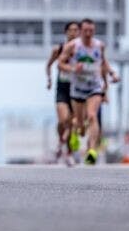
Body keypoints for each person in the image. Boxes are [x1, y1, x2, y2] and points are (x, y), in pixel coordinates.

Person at [58, 18, 118, 165]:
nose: (88, 34)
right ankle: (75, 134)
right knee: (79, 124)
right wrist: (73, 69)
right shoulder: (73, 46)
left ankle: (91, 150)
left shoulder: (99, 46)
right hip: (77, 89)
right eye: (85, 31)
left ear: (94, 31)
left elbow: (103, 63)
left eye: (91, 31)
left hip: (94, 87)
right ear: (81, 31)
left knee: (92, 115)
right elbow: (60, 64)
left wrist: (111, 74)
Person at [46, 21, 79, 165]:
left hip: (78, 89)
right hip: (62, 88)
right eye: (70, 30)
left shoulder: (83, 50)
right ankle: (61, 141)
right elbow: (49, 65)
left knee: (72, 122)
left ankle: (69, 152)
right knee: (63, 120)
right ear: (66, 32)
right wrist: (49, 80)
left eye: (76, 30)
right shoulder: (58, 49)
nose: (73, 33)